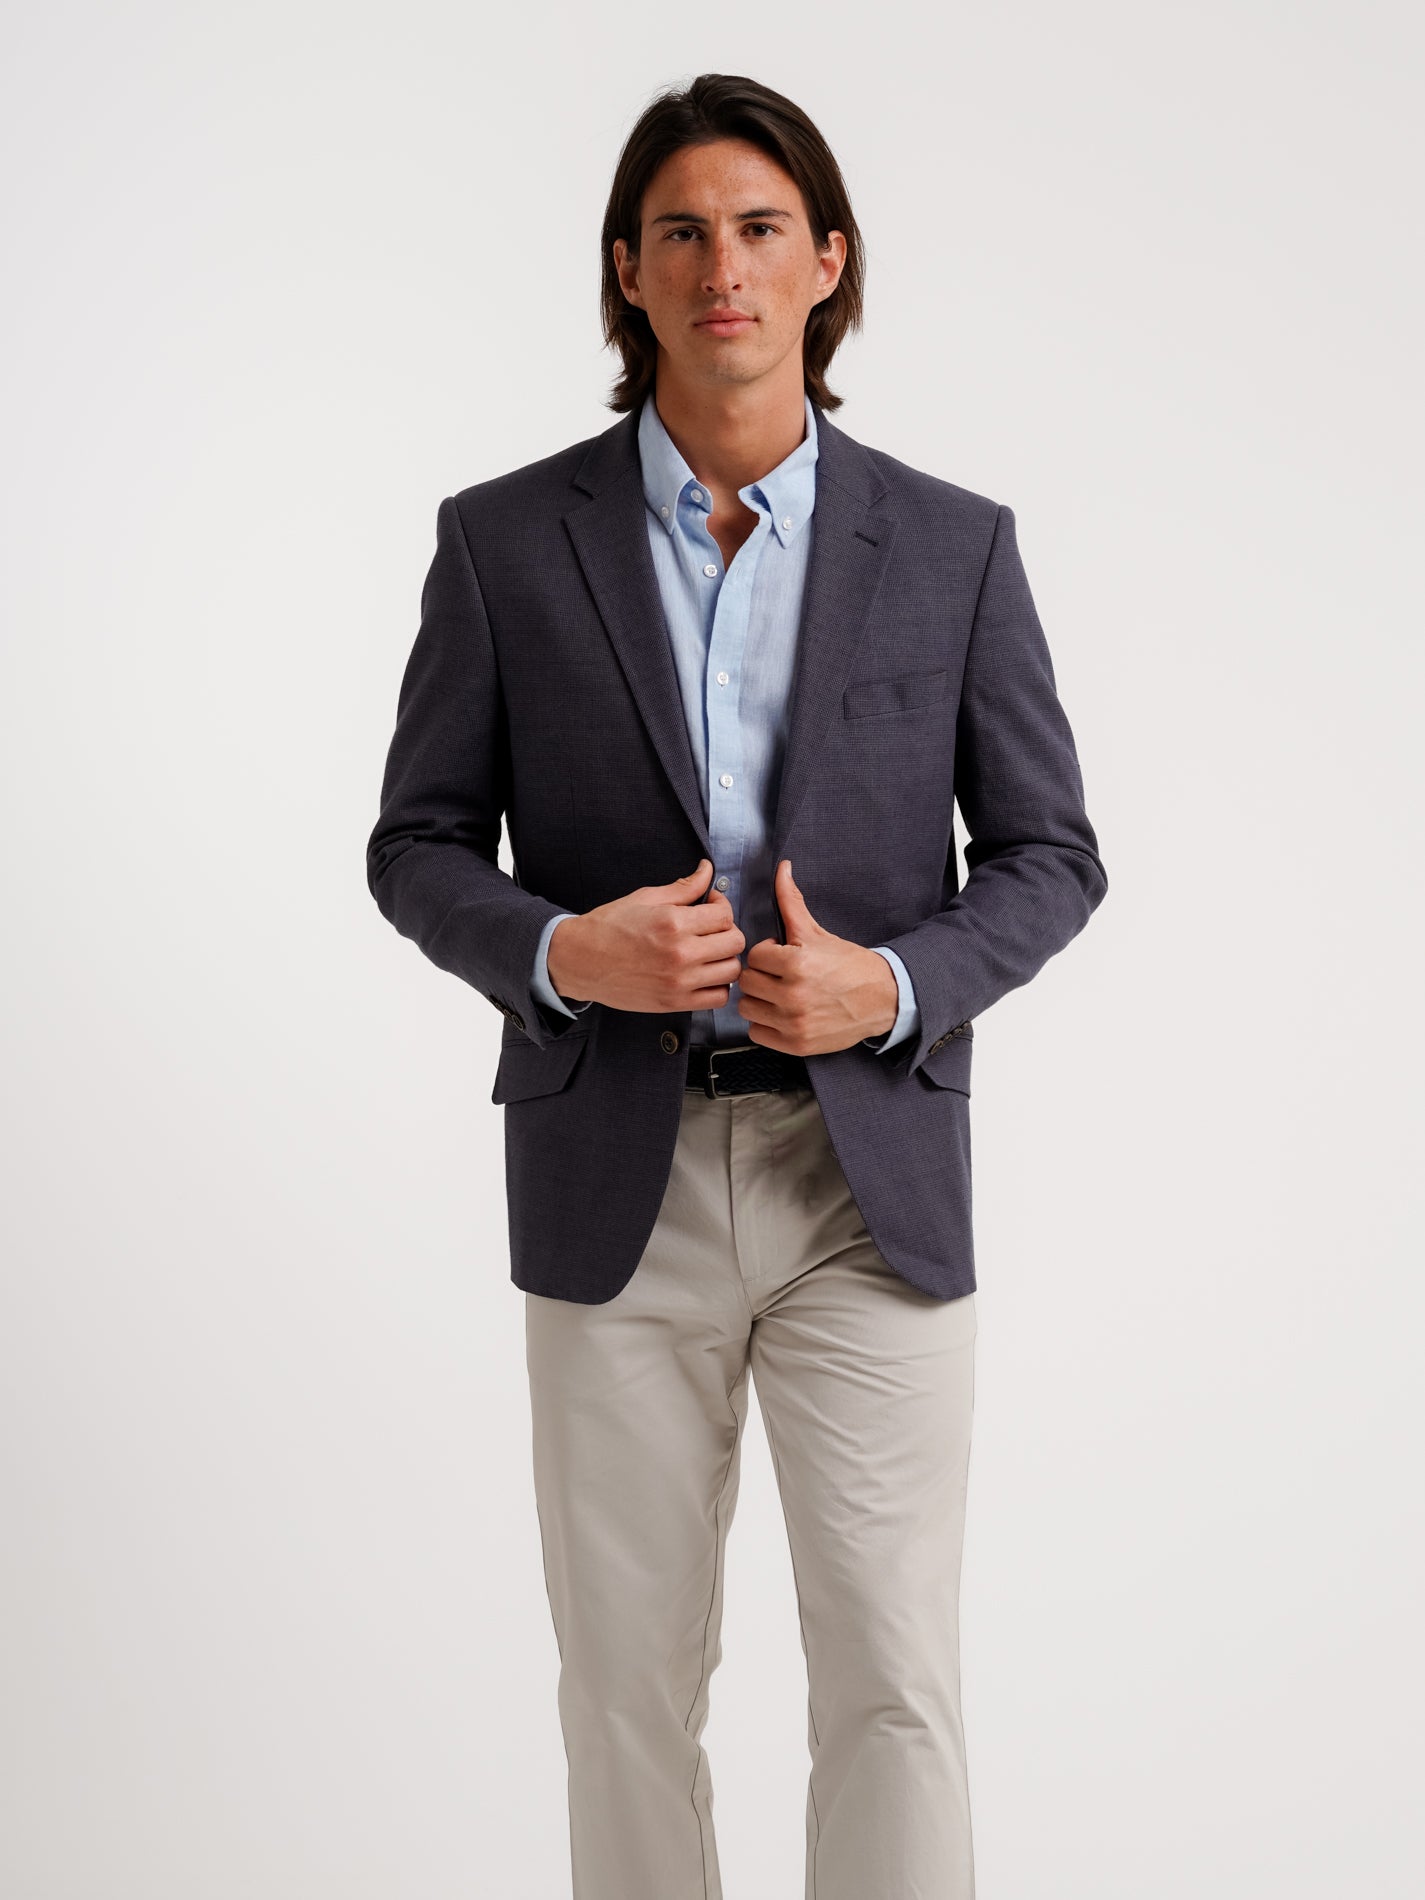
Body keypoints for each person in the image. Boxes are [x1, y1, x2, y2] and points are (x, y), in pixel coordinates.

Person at [366, 70, 1106, 1900]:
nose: (724, 268)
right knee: (625, 1693)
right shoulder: (502, 541)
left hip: (865, 1187)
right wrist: (566, 950)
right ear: (625, 270)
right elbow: (417, 844)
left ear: (826, 262)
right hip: (613, 1185)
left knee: (892, 1685)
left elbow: (1048, 855)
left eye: (761, 229)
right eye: (682, 232)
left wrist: (895, 986)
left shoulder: (951, 545)